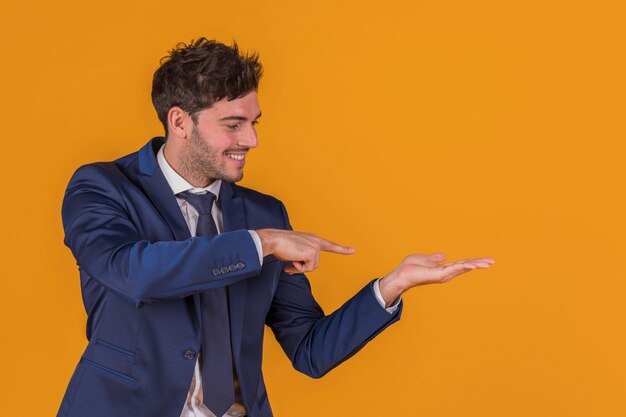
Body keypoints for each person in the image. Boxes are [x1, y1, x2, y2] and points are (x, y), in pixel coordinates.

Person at [57, 38, 494, 417]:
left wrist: (391, 286)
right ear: (179, 121)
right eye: (234, 124)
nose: (252, 140)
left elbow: (310, 350)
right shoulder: (103, 188)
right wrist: (259, 244)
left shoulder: (266, 214)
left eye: (254, 123)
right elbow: (134, 272)